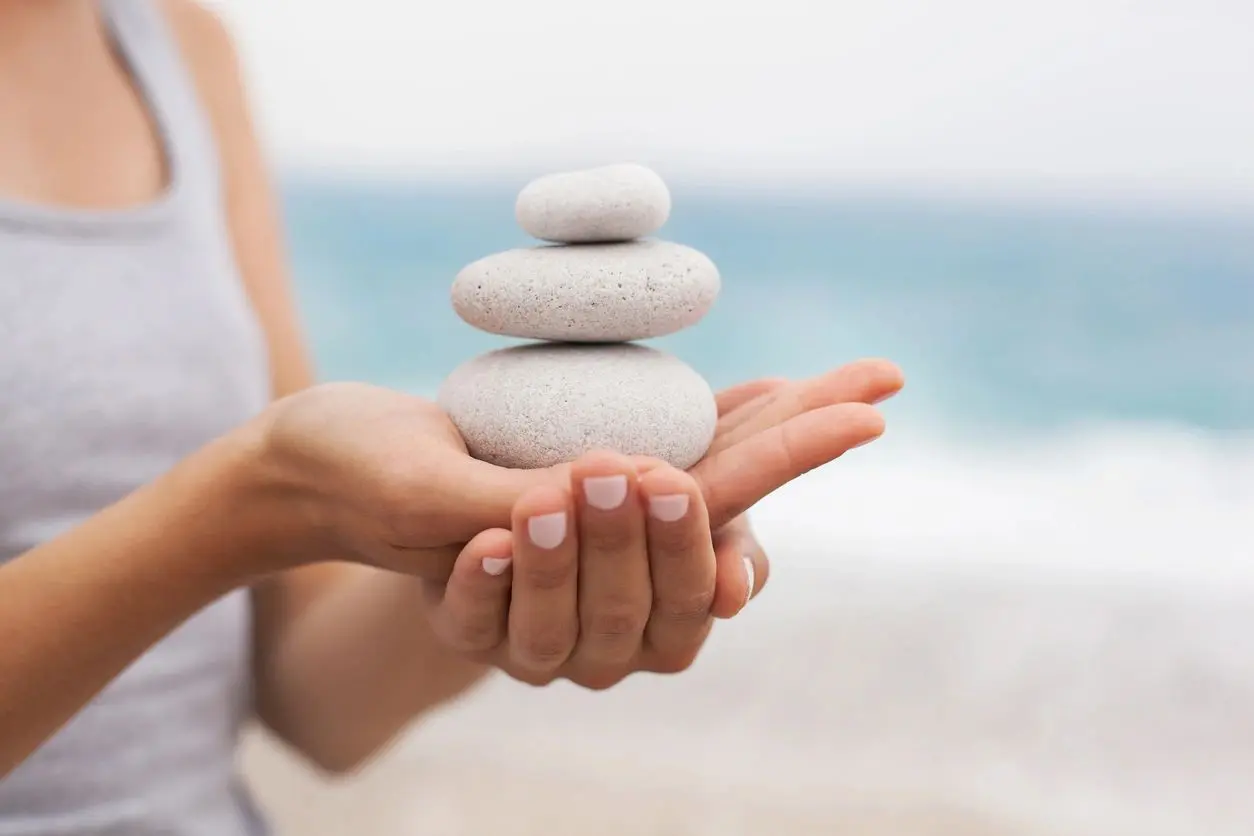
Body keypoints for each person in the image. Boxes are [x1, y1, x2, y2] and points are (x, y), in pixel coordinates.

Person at [0, 1, 904, 833]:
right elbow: (255, 498)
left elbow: (315, 709)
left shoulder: (174, 46)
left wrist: (497, 558)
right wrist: (255, 502)